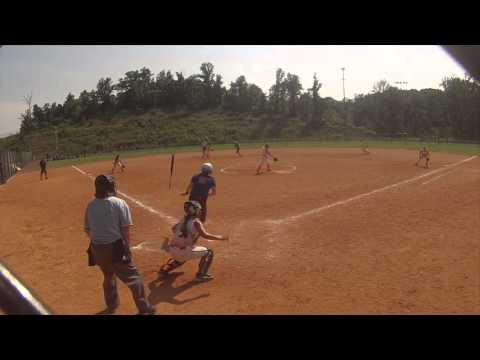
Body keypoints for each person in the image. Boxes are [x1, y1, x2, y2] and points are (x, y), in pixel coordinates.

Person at [84, 175, 155, 315]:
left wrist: (100, 240)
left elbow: (87, 230)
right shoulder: (119, 203)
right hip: (114, 247)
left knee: (108, 276)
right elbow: (125, 230)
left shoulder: (90, 205)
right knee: (133, 278)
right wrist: (126, 249)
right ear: (110, 187)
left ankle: (111, 305)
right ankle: (144, 308)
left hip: (96, 249)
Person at [158, 201, 228, 282]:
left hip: (172, 251)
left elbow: (173, 229)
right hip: (184, 252)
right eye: (199, 210)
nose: (200, 211)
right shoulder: (196, 222)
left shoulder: (183, 219)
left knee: (180, 258)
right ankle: (201, 275)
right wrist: (221, 237)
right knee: (209, 252)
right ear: (195, 211)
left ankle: (164, 270)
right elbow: (205, 235)